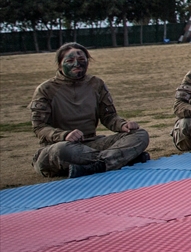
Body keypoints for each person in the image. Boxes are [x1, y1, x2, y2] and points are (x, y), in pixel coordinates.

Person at [29, 43, 150, 178]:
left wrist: (123, 125)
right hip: (62, 146)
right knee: (61, 150)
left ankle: (97, 165)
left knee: (140, 134)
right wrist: (64, 135)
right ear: (59, 65)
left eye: (81, 60)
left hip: (91, 144)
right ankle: (120, 159)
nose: (76, 64)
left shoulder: (96, 84)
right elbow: (40, 128)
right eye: (70, 61)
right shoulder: (46, 89)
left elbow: (109, 117)